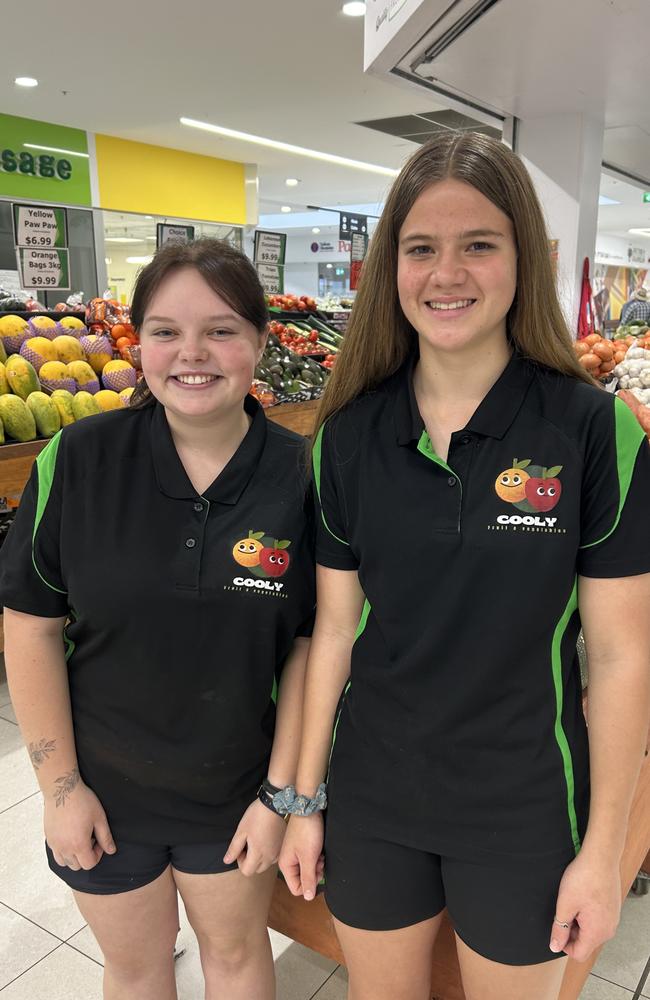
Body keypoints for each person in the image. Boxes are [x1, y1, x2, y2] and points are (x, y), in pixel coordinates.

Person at [279, 133, 650, 1000]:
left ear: (526, 258)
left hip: (522, 800)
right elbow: (334, 632)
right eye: (420, 249)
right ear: (390, 269)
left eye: (478, 243)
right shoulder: (347, 436)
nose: (447, 273)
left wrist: (605, 854)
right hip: (374, 795)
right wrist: (301, 801)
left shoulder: (595, 433)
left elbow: (626, 657)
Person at [1, 239, 315, 1000]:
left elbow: (309, 644)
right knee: (137, 970)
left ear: (261, 343)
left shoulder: (302, 474)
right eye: (167, 330)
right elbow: (31, 626)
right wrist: (61, 789)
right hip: (103, 791)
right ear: (138, 340)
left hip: (235, 791)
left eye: (221, 329)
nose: (192, 353)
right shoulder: (79, 459)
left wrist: (280, 797)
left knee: (237, 960)